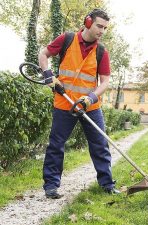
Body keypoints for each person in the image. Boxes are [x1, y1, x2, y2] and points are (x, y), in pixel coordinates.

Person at [38, 9, 120, 199]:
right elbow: (43, 54)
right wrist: (48, 75)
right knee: (56, 144)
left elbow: (105, 82)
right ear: (88, 22)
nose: (102, 31)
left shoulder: (101, 51)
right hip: (64, 103)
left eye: (105, 28)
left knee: (100, 144)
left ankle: (107, 184)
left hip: (89, 106)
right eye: (99, 26)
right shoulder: (67, 39)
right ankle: (51, 186)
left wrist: (90, 98)